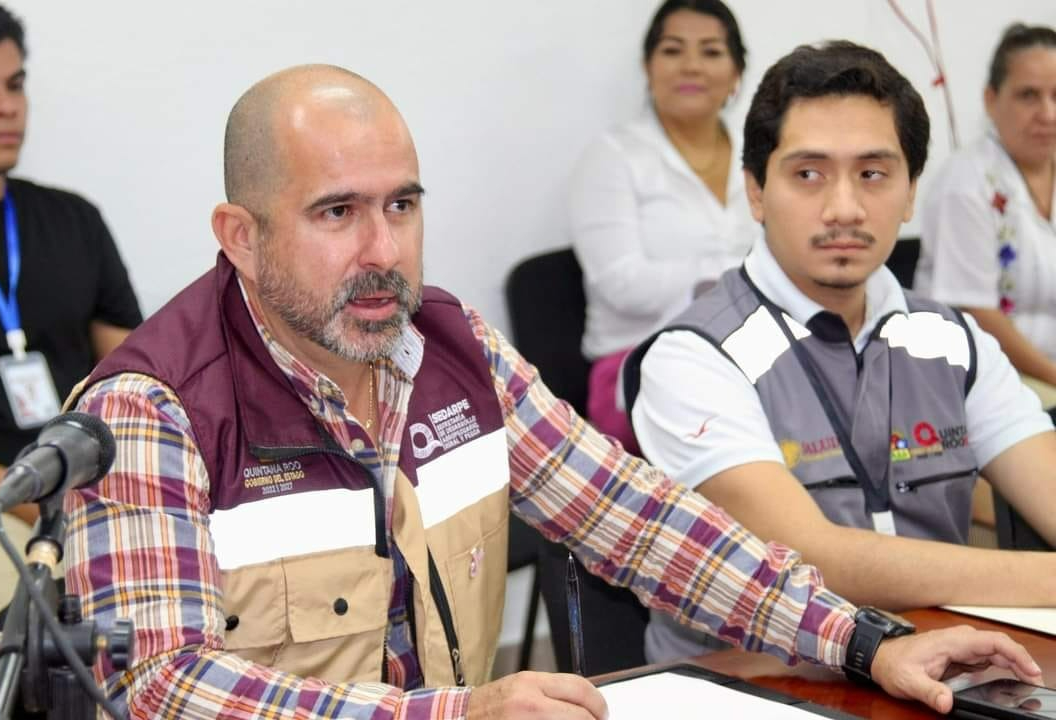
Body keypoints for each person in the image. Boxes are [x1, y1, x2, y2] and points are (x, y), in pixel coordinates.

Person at [63, 63, 1041, 720]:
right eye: (336, 213)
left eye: (402, 205)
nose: (382, 251)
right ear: (240, 235)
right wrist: (459, 714)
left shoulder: (449, 347)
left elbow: (640, 521)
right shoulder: (150, 410)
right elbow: (160, 683)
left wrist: (864, 644)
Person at [625, 40, 1056, 666]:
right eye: (808, 174)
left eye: (874, 174)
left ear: (910, 194)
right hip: (759, 685)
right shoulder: (692, 357)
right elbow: (810, 558)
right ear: (755, 191)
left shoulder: (951, 339)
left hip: (949, 670)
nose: (845, 208)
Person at [0, 1, 142, 527]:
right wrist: (37, 509)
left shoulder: (74, 220)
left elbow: (132, 384)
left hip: (92, 494)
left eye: (15, 84)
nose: (7, 107)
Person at [568, 0, 758, 451]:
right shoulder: (612, 157)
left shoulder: (764, 156)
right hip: (640, 361)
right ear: (648, 66)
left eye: (711, 52)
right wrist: (742, 280)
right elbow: (622, 283)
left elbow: (792, 263)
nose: (691, 65)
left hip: (751, 355)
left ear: (736, 73)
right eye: (673, 50)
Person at [914, 24, 1056, 408]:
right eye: (1029, 95)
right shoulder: (966, 183)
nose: (1047, 113)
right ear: (991, 100)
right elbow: (977, 314)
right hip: (981, 382)